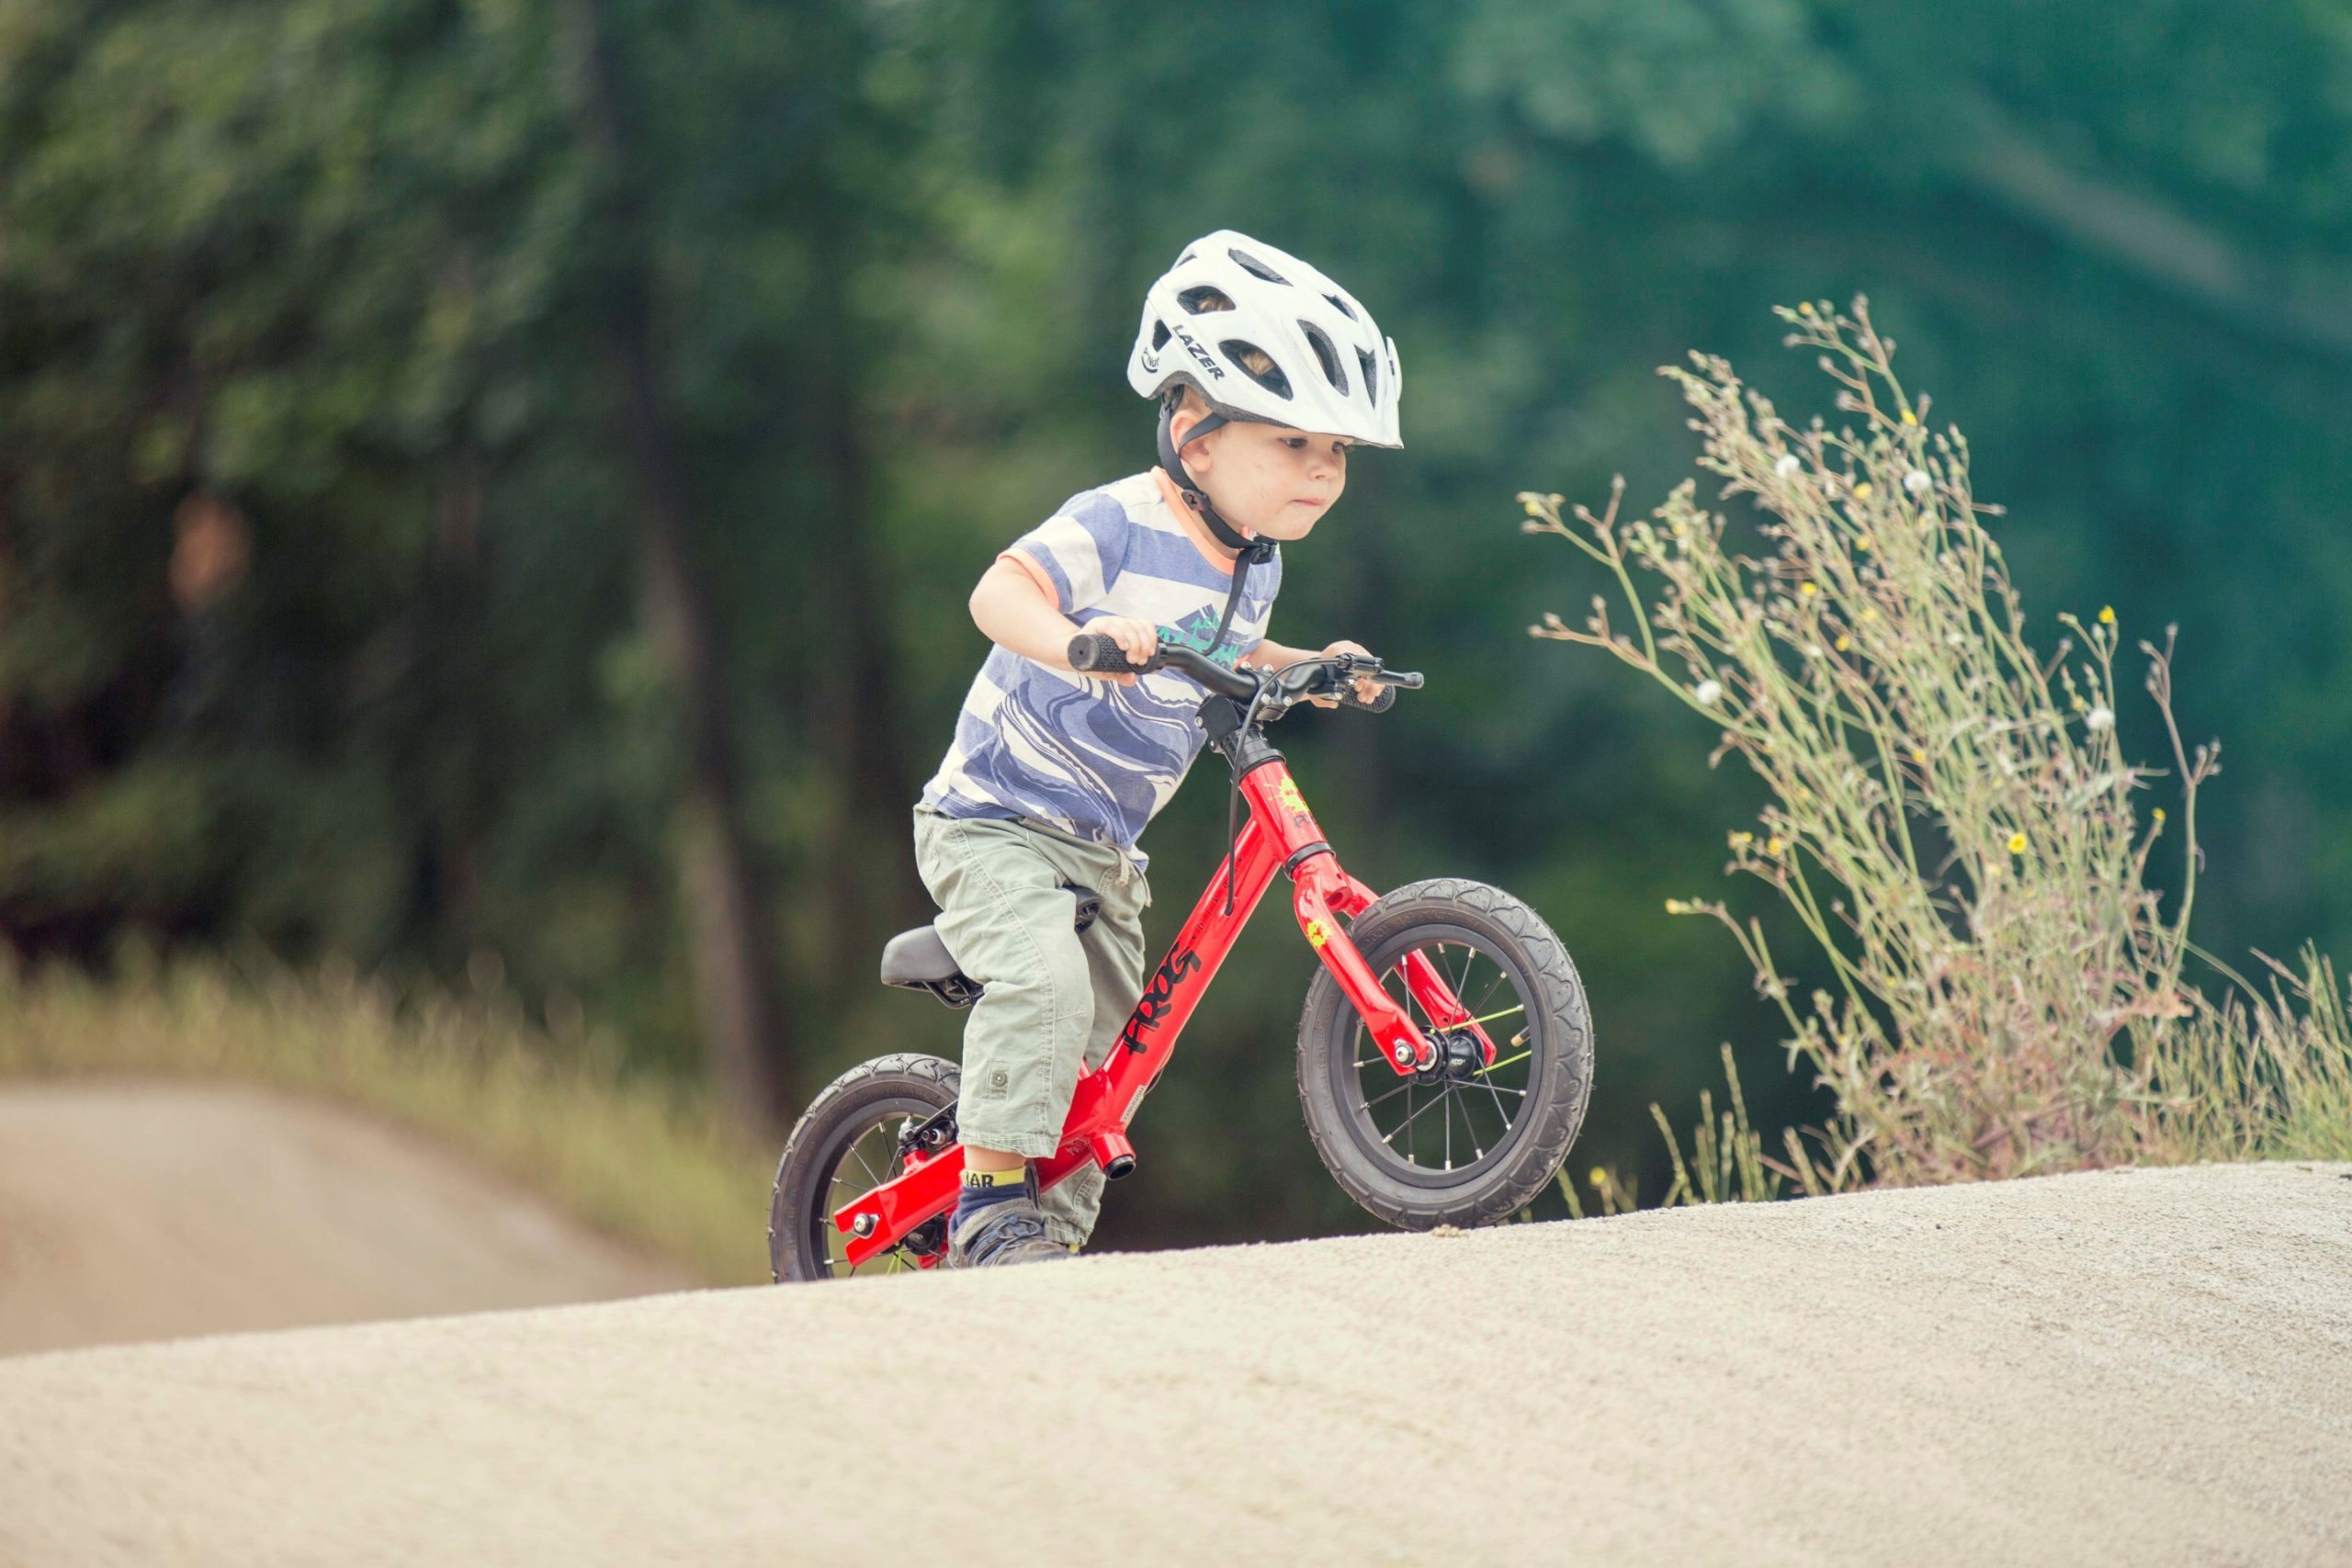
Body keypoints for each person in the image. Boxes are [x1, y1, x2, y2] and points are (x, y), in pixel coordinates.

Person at [913, 230, 1404, 1266]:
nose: (1320, 473)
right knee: (1045, 986)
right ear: (1196, 436)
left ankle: (1050, 1252)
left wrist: (1318, 661)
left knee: (1109, 1053)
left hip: (1105, 850)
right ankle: (990, 1208)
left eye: (1337, 454)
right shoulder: (1116, 522)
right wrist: (1082, 646)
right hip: (995, 823)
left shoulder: (1250, 559)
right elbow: (997, 592)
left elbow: (1232, 648)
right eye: (1293, 444)